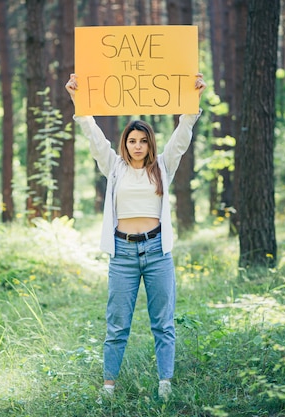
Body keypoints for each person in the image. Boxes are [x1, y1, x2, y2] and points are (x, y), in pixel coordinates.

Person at [65, 73, 206, 402]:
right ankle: (109, 388)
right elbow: (94, 135)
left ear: (150, 144)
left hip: (157, 251)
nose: (138, 146)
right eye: (132, 141)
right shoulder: (113, 167)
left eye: (143, 141)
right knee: (117, 325)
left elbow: (182, 137)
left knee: (163, 322)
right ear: (125, 143)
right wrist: (78, 101)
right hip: (123, 254)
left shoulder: (162, 166)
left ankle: (165, 385)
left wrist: (194, 100)